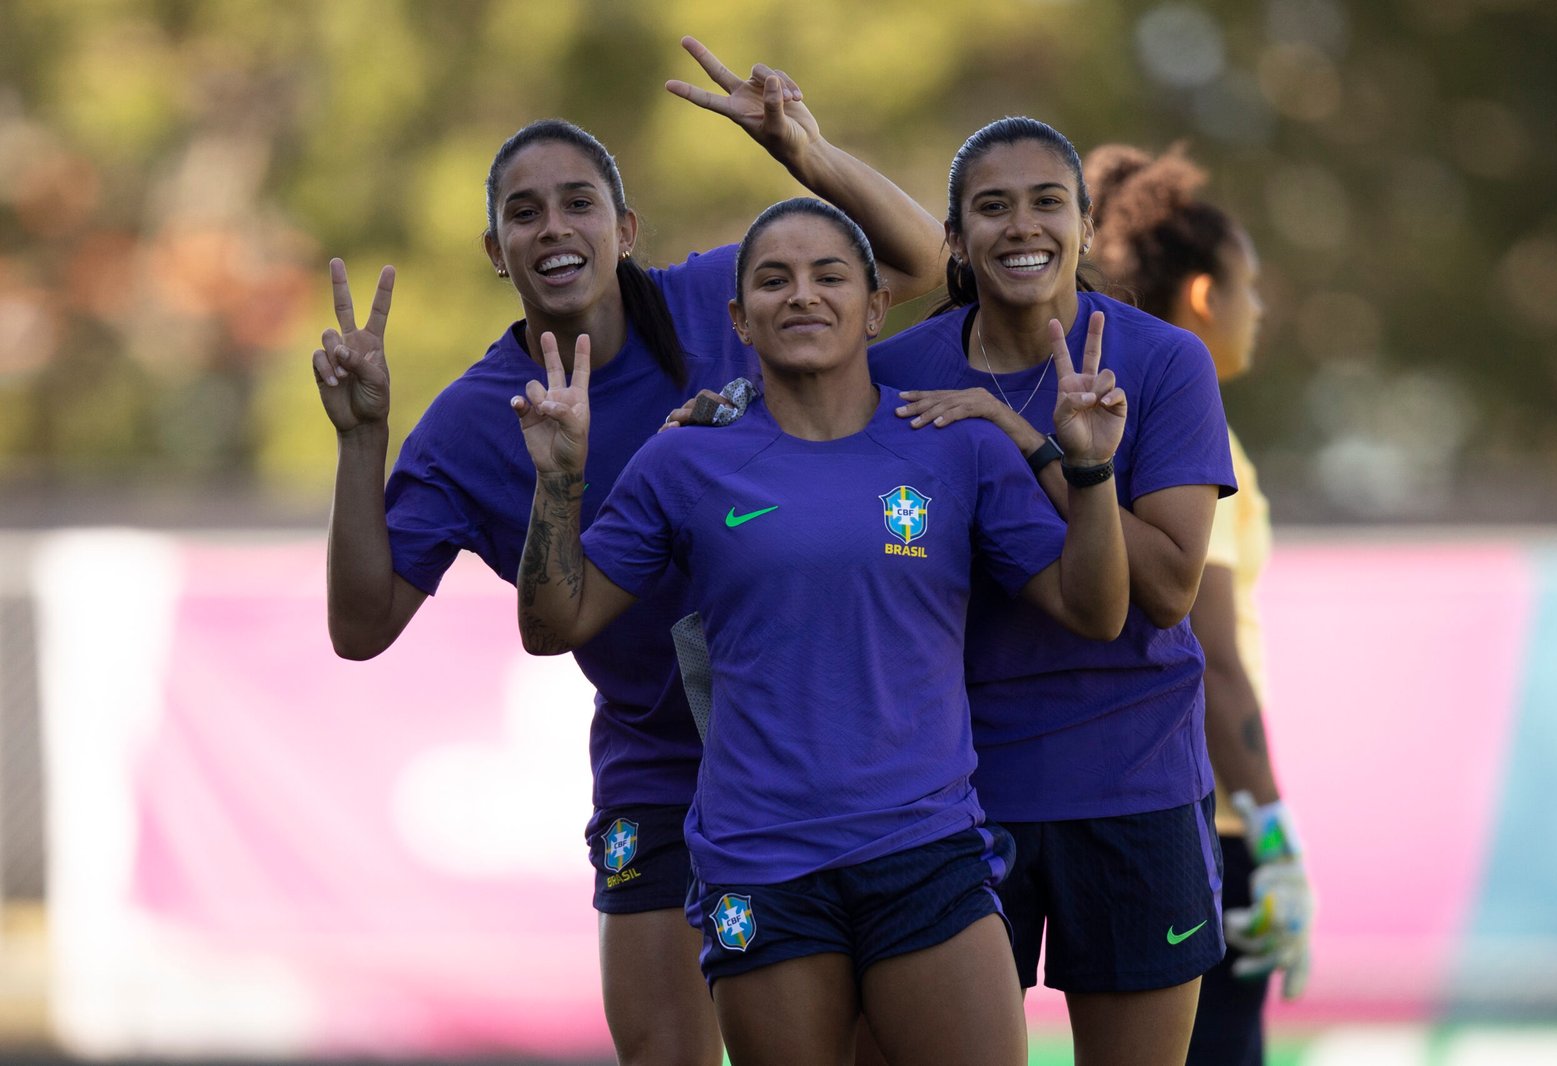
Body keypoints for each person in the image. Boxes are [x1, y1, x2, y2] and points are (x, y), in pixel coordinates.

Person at [310, 39, 945, 1066]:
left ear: (626, 229)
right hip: (662, 773)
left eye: (579, 203)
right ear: (496, 250)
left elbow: (922, 266)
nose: (555, 228)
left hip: (821, 755)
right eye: (525, 213)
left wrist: (807, 154)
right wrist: (360, 440)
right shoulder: (473, 422)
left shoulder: (722, 304)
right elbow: (360, 625)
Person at [513, 197, 1129, 1066]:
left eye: (829, 276)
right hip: (759, 866)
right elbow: (552, 626)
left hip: (925, 854)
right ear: (740, 320)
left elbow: (1096, 612)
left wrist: (1090, 469)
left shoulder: (953, 444)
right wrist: (558, 481)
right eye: (775, 280)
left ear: (875, 308)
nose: (802, 295)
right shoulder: (684, 459)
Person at [867, 117, 1236, 1066]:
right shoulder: (893, 375)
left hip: (1133, 783)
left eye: (1047, 203)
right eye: (992, 207)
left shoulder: (1165, 362)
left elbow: (1168, 589)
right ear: (955, 239)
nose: (1021, 226)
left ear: (1084, 225)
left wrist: (1032, 444)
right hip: (948, 799)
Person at [1083, 142, 1311, 1066]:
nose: (1260, 310)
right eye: (1250, 288)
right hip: (1203, 819)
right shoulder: (1194, 431)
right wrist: (1275, 839)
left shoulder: (1122, 414)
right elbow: (1213, 655)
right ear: (1208, 295)